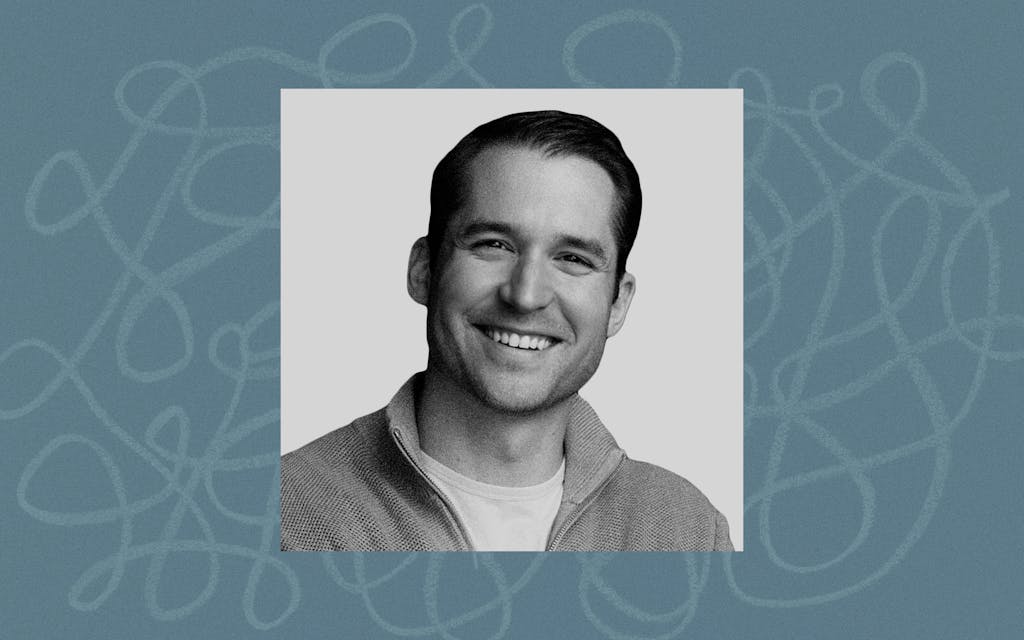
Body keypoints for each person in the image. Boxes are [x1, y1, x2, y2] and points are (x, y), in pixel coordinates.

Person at [281, 110, 733, 551]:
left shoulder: (689, 531)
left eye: (573, 258)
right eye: (494, 245)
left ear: (618, 303)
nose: (526, 295)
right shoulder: (284, 513)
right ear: (424, 269)